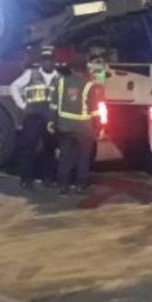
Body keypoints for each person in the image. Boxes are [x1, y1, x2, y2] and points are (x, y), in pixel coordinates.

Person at [50, 55, 103, 195]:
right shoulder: (89, 85)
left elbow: (54, 105)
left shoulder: (61, 83)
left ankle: (62, 186)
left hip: (64, 127)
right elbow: (94, 110)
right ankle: (80, 185)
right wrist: (98, 127)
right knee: (83, 157)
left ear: (72, 69)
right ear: (85, 69)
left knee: (65, 157)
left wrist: (51, 122)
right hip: (84, 129)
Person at [9, 45, 59, 189]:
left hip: (50, 118)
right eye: (45, 60)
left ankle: (48, 179)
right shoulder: (31, 74)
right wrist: (22, 104)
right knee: (29, 148)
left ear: (54, 61)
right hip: (33, 117)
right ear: (41, 61)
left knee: (49, 149)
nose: (47, 62)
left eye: (50, 60)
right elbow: (14, 87)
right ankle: (26, 179)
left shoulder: (59, 78)